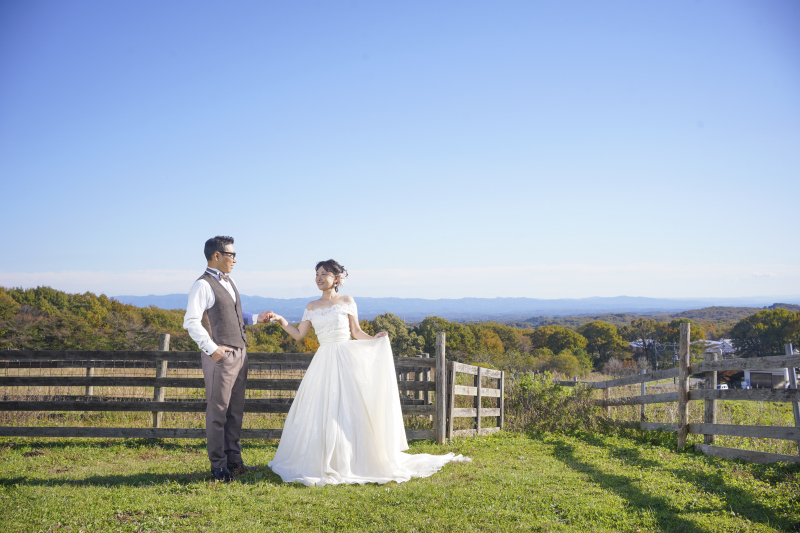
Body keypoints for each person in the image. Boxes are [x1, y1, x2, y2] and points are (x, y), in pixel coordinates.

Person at [267, 259, 469, 486]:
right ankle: (322, 458)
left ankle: (355, 459)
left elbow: (356, 332)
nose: (319, 278)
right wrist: (281, 320)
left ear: (337, 278)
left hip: (345, 359)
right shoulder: (311, 307)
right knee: (320, 408)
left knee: (348, 408)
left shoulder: (347, 301)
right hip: (323, 361)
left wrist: (374, 340)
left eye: (324, 274)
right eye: (316, 274)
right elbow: (297, 335)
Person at [183, 236, 273, 482]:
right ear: (217, 256)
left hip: (240, 354)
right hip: (221, 357)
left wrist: (256, 318)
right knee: (218, 412)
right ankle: (218, 467)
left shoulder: (229, 281)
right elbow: (191, 322)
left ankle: (235, 463)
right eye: (231, 254)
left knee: (235, 412)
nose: (235, 259)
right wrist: (212, 349)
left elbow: (232, 314)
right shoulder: (202, 285)